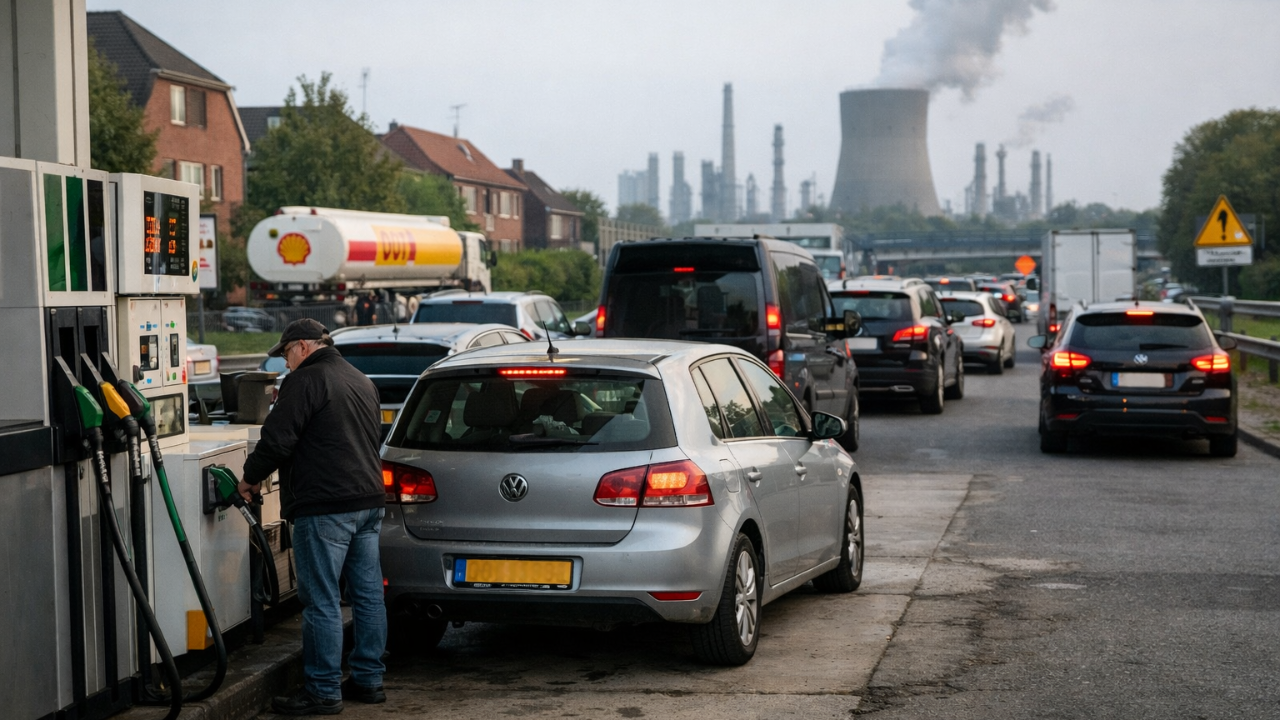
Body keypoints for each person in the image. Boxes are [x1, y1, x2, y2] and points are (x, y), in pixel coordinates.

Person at [238, 318, 386, 715]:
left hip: (326, 506)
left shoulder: (304, 381)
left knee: (321, 600)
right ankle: (369, 680)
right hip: (368, 501)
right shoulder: (360, 379)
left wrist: (249, 479)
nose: (286, 363)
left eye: (286, 354)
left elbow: (277, 440)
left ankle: (322, 690)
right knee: (368, 596)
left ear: (303, 346)